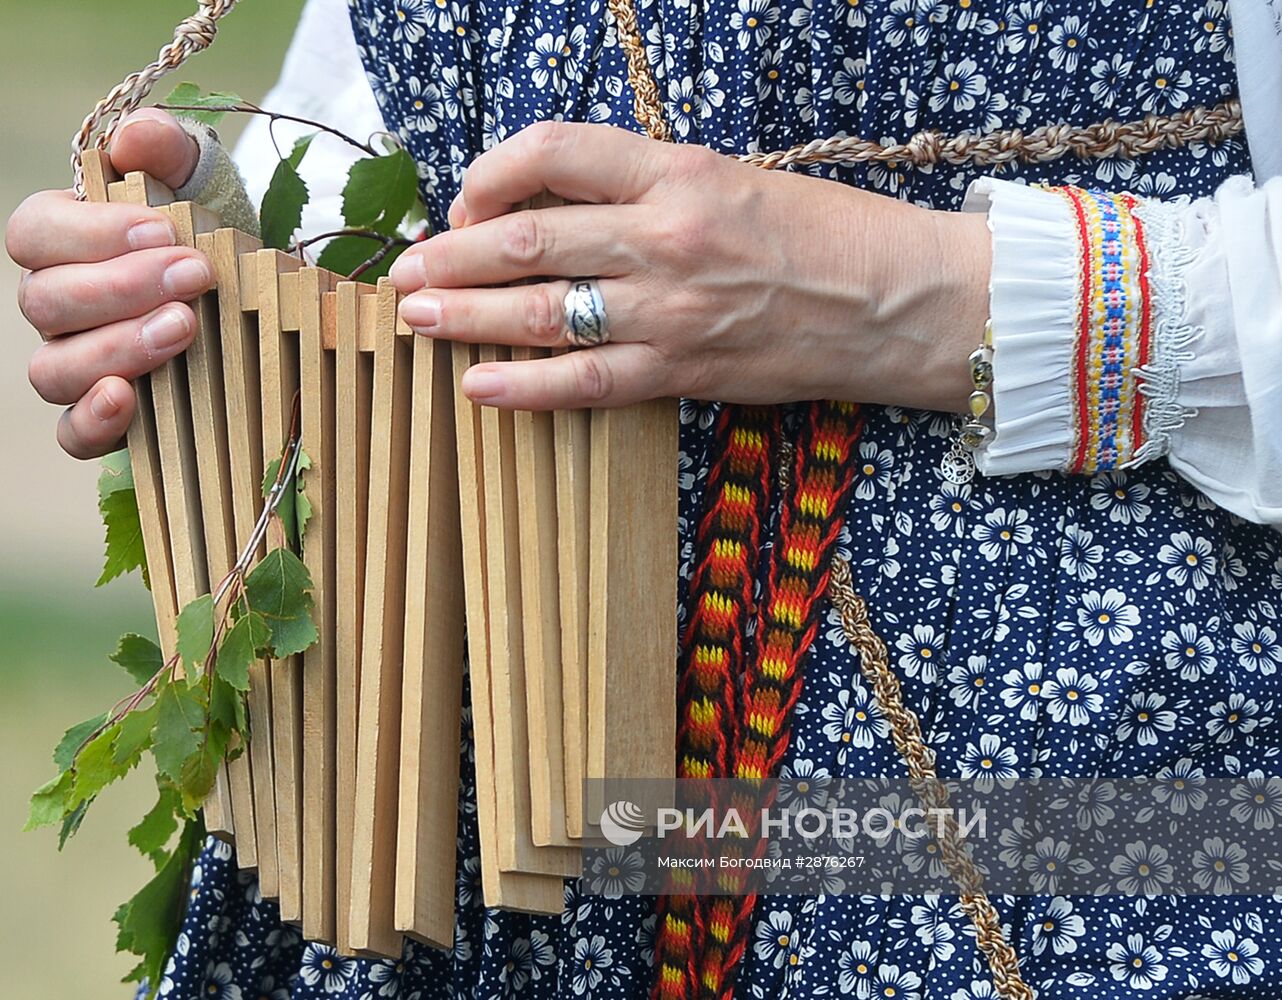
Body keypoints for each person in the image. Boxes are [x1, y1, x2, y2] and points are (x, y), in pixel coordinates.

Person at [6, 0, 1282, 996]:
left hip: (1076, 795)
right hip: (503, 817)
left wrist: (912, 292)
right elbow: (405, 127)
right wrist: (217, 280)